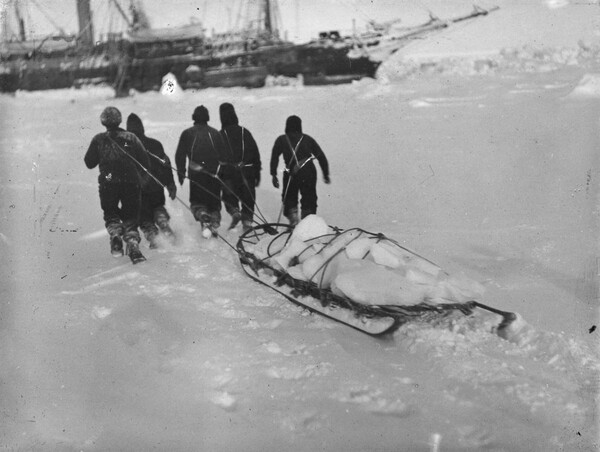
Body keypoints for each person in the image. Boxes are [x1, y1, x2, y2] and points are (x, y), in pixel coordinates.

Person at [84, 106, 150, 263]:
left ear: (103, 121)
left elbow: (89, 163)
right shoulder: (132, 138)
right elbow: (145, 162)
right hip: (130, 181)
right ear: (120, 119)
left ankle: (115, 234)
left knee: (111, 212)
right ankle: (133, 245)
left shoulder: (98, 139)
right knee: (131, 216)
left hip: (108, 180)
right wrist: (142, 179)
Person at [175, 105, 228, 238]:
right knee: (214, 203)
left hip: (196, 174)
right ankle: (214, 221)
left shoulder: (187, 133)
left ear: (194, 117)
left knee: (198, 202)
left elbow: (180, 155)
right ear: (207, 118)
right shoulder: (215, 133)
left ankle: (203, 216)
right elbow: (224, 157)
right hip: (214, 174)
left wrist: (181, 172)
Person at [126, 113, 177, 248]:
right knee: (158, 207)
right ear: (141, 128)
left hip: (138, 190)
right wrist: (170, 184)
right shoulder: (155, 144)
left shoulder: (125, 148)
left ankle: (154, 238)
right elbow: (166, 165)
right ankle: (163, 221)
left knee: (144, 217)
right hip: (156, 187)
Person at [270, 115, 330, 226]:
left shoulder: (281, 139)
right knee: (309, 197)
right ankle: (307, 224)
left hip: (290, 173)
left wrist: (273, 174)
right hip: (308, 172)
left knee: (289, 197)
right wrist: (325, 174)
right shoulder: (307, 139)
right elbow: (321, 157)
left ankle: (293, 220)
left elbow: (274, 157)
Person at [219, 102, 262, 232]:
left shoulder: (220, 134)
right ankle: (247, 224)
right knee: (248, 198)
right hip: (247, 171)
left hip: (228, 172)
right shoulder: (245, 132)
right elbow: (255, 152)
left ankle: (235, 212)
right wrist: (257, 172)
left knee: (228, 196)